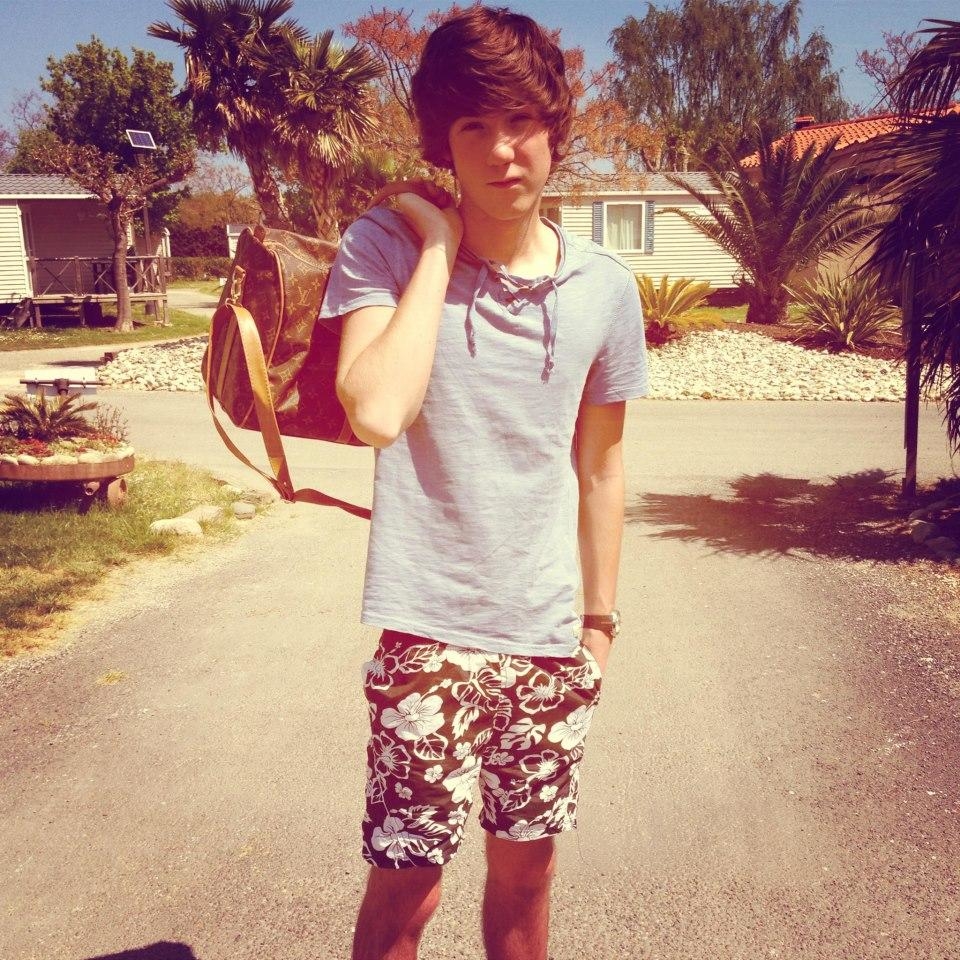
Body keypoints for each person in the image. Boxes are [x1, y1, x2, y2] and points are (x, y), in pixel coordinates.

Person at [318, 7, 648, 959]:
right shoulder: (384, 247)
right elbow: (376, 410)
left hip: (548, 638)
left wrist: (599, 626)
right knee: (408, 886)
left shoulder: (605, 289)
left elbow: (601, 466)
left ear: (554, 129)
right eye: (474, 126)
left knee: (527, 875)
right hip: (426, 630)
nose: (503, 151)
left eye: (521, 122)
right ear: (443, 140)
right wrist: (435, 245)